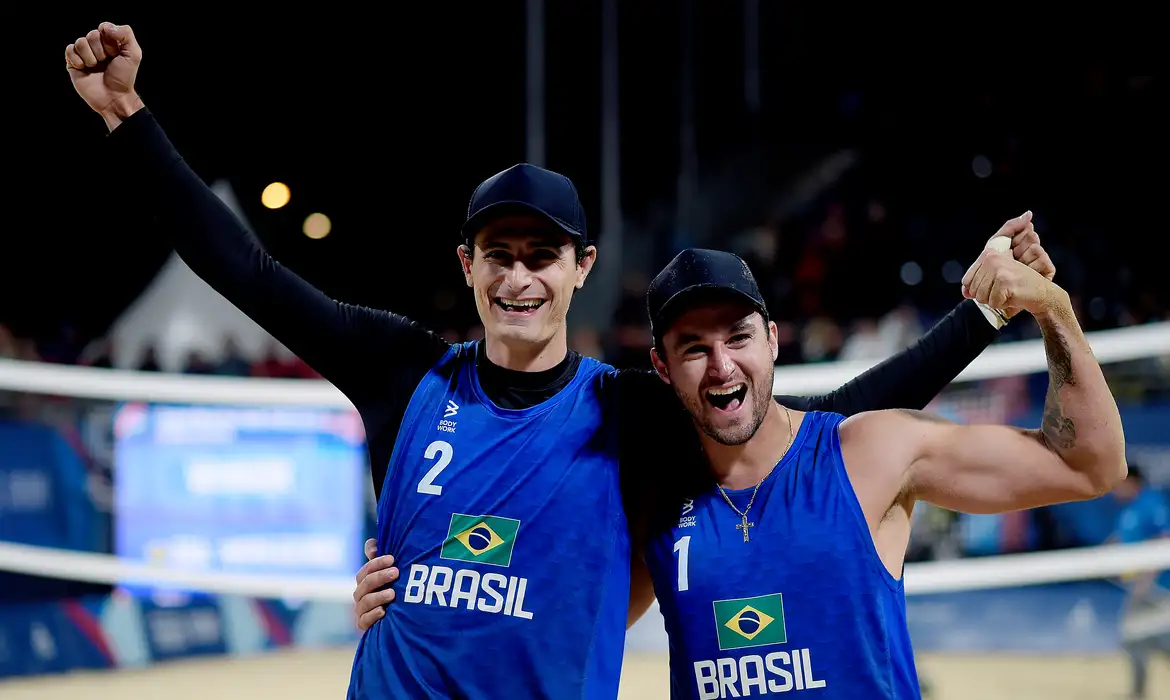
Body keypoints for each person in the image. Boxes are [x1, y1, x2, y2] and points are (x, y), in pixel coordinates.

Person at [66, 22, 1052, 700]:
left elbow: (828, 426)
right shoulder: (403, 371)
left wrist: (977, 317)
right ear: (469, 265)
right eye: (500, 253)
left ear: (582, 266)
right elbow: (247, 268)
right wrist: (128, 119)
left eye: (543, 254)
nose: (520, 276)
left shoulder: (635, 414)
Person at [1114, 465, 1170, 699]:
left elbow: (1164, 540)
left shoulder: (1152, 503)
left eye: (1119, 485)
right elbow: (1123, 539)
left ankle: (1137, 693)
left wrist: (1146, 580)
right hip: (1141, 588)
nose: (1114, 491)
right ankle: (1138, 692)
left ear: (1132, 482)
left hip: (1159, 588)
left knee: (1147, 638)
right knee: (1135, 638)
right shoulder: (1129, 509)